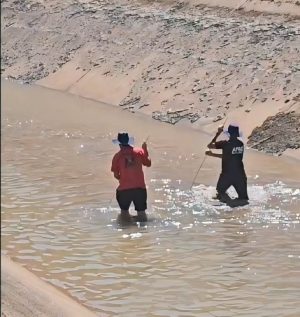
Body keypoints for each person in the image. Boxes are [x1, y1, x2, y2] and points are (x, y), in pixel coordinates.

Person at [111, 132, 151, 223]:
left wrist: (123, 178)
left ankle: (126, 232)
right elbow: (148, 164)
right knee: (142, 215)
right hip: (140, 188)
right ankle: (143, 232)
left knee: (124, 215)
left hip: (124, 190)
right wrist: (145, 150)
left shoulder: (117, 157)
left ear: (119, 143)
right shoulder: (139, 152)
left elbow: (116, 175)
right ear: (129, 141)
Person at [205, 124, 249, 203]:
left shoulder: (225, 144)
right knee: (244, 198)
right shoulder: (240, 144)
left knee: (220, 192)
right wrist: (213, 154)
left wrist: (218, 133)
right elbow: (229, 156)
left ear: (229, 133)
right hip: (240, 175)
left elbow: (209, 146)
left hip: (227, 175)